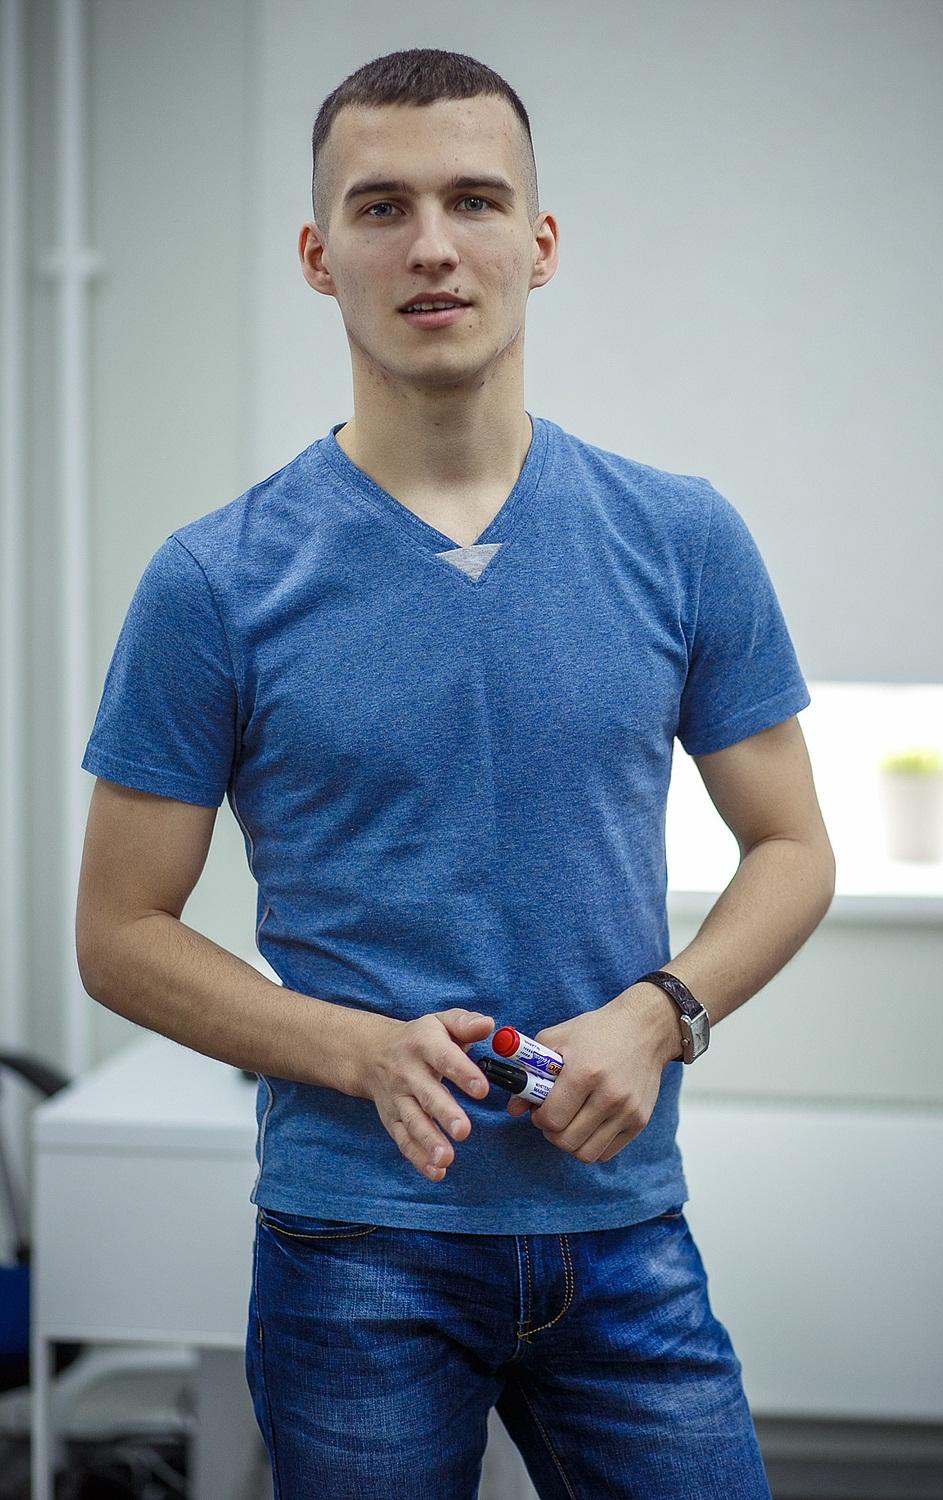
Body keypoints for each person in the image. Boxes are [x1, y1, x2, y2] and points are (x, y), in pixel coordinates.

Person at [76, 45, 835, 1500]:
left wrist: (661, 1015)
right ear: (319, 257)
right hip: (354, 1246)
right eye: (382, 207)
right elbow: (118, 934)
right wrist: (357, 1052)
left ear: (538, 244)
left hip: (622, 1229)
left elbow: (794, 848)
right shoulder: (213, 582)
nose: (432, 244)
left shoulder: (681, 538)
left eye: (475, 200)